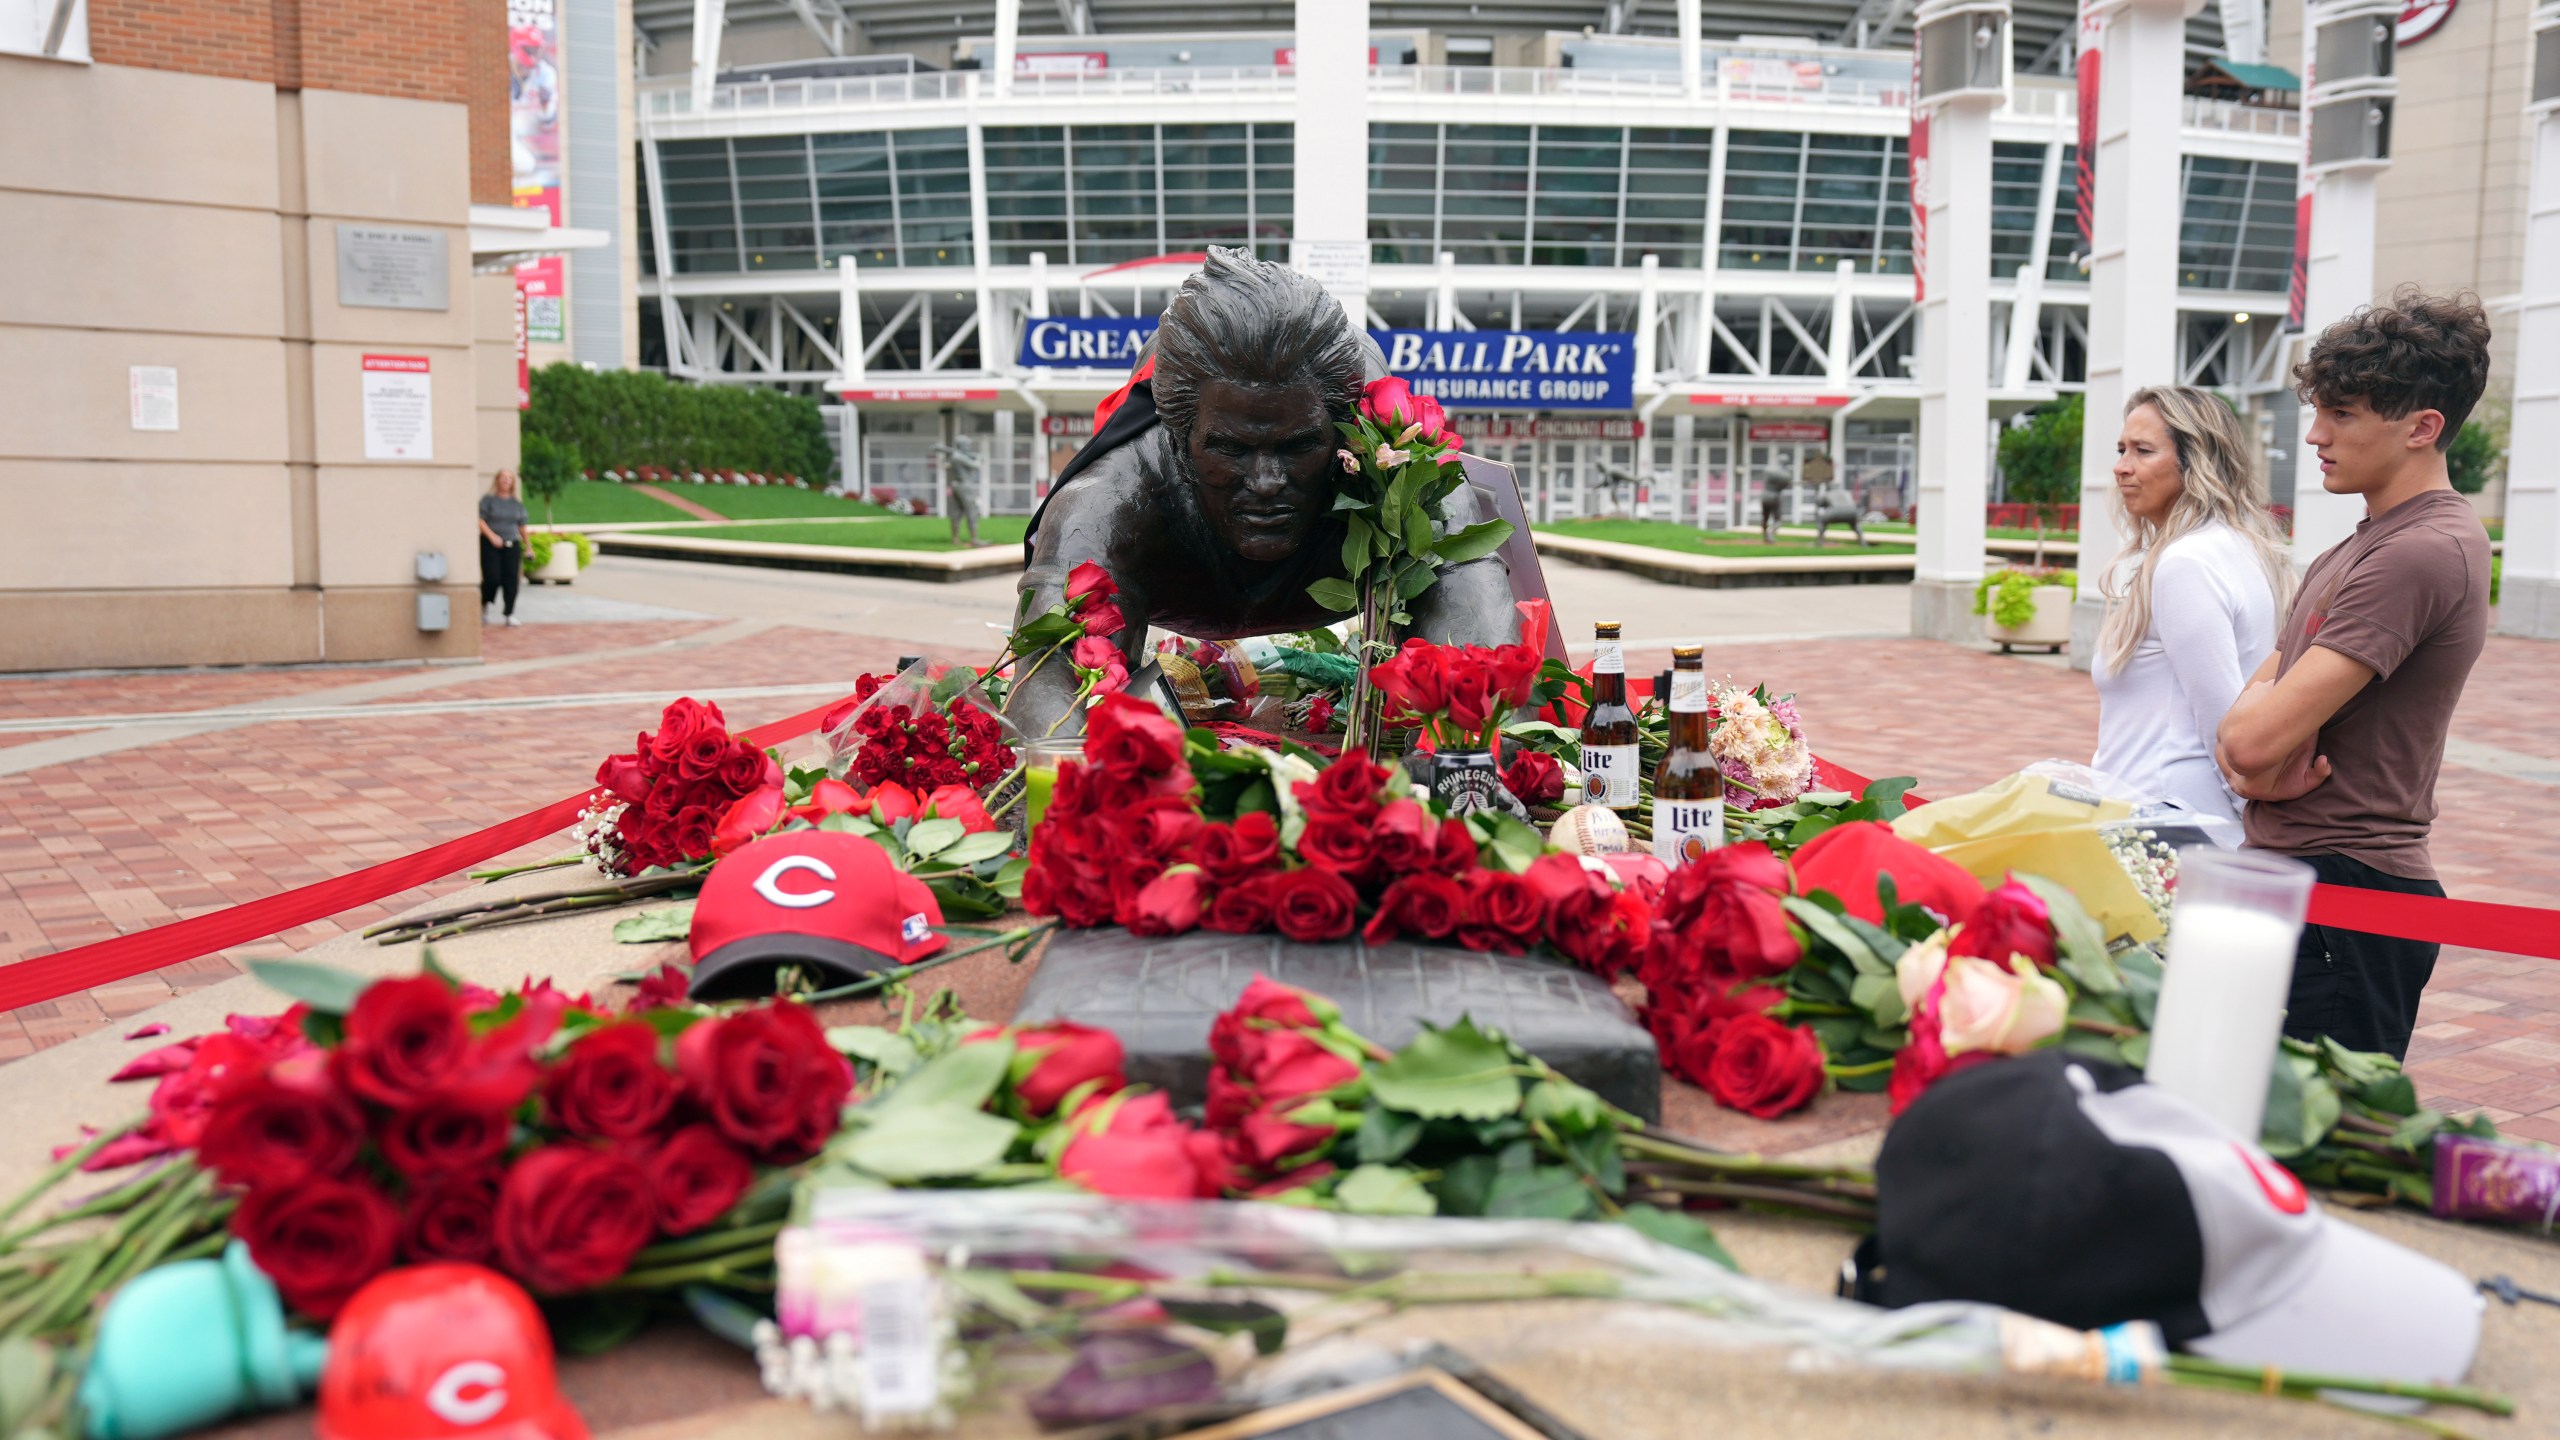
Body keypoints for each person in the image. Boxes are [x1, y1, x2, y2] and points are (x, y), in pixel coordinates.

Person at [1008, 247, 1518, 739]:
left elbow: (1488, 688)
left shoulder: (1400, 474)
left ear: (1343, 437)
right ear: (1180, 444)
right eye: (1231, 449)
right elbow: (1047, 720)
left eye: (1298, 447)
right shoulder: (1111, 499)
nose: (1268, 481)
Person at [2216, 290, 2495, 1061]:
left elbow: (2251, 738)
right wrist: (2250, 756)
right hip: (2300, 877)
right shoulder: (2364, 544)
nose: (2316, 435)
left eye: (2343, 414)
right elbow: (2245, 736)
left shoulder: (2420, 551)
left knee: (2313, 1158)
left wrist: (2251, 756)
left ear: (2422, 427)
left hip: (2351, 895)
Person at [2089, 386, 2293, 828]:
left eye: (2143, 451)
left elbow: (2223, 724)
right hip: (2167, 815)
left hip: (2164, 819)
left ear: (2195, 461)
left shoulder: (2187, 563)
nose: (2121, 467)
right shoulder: (2234, 547)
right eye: (2122, 449)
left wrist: (2256, 833)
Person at [478, 469, 528, 628]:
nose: (506, 480)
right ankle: (485, 605)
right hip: (490, 544)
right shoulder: (488, 500)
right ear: (497, 480)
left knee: (511, 580)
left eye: (509, 478)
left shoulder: (516, 503)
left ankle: (509, 614)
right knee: (492, 578)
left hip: (511, 544)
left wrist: (528, 546)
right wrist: (492, 536)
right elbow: (480, 520)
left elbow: (522, 526)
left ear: (513, 482)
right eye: (503, 477)